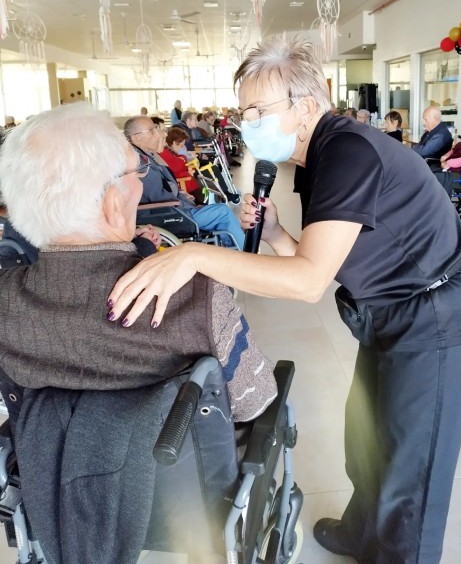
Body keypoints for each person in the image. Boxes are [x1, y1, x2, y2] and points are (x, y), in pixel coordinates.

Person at [107, 35, 461, 564]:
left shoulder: (349, 151)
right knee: (368, 439)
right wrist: (273, 233)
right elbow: (317, 257)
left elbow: (308, 282)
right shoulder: (320, 156)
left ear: (306, 106)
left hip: (435, 317)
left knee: (413, 475)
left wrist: (194, 255)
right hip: (387, 313)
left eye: (257, 111)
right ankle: (363, 534)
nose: (247, 123)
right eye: (244, 112)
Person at [0, 103, 277, 563]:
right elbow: (257, 400)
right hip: (188, 500)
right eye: (135, 172)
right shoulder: (196, 297)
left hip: (55, 489)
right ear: (112, 202)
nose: (140, 182)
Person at [124, 116, 244, 248]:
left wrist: (182, 195)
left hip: (172, 209)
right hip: (169, 214)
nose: (158, 135)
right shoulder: (140, 165)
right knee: (223, 212)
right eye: (152, 131)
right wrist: (184, 202)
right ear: (136, 138)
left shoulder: (145, 157)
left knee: (218, 209)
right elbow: (160, 197)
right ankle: (244, 253)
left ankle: (237, 248)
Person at [160, 125, 205, 203]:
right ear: (174, 143)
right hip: (183, 183)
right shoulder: (164, 152)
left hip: (184, 180)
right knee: (204, 190)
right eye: (181, 145)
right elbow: (178, 166)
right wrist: (183, 158)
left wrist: (182, 159)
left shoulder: (167, 151)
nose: (182, 148)